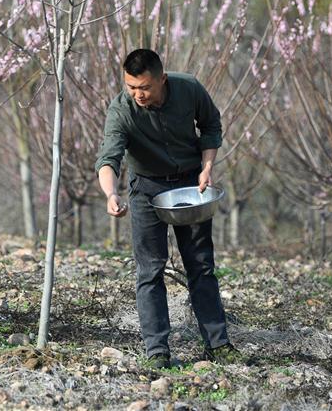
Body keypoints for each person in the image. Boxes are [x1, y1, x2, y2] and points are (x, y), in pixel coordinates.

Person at [94, 48, 241, 368]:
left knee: (201, 265)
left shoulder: (188, 88)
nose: (138, 94)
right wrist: (110, 194)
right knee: (150, 269)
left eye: (144, 87)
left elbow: (211, 125)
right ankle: (157, 351)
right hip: (146, 188)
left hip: (190, 184)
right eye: (131, 87)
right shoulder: (122, 109)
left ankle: (218, 344)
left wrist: (207, 167)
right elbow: (109, 159)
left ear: (162, 79)